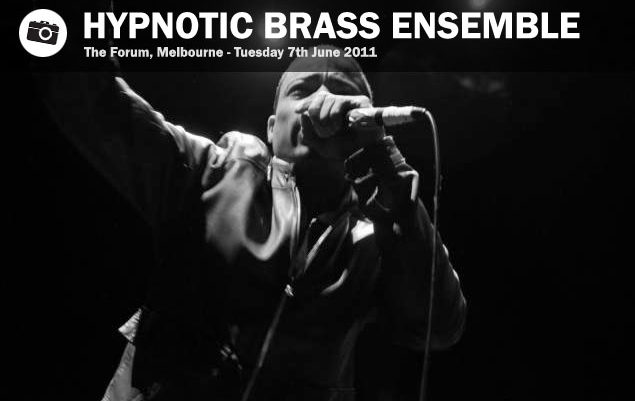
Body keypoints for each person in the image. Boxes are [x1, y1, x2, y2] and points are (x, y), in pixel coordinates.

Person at [40, 46, 466, 401]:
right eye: (302, 90)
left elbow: (440, 327)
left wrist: (392, 188)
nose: (322, 100)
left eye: (343, 92)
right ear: (272, 128)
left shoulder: (378, 236)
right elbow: (93, 102)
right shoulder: (212, 172)